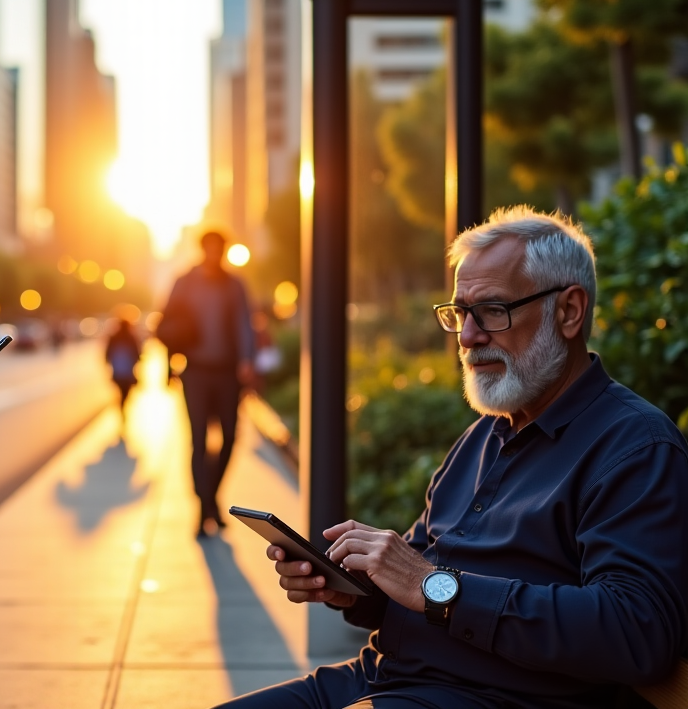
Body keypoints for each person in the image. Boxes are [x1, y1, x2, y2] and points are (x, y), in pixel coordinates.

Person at [216, 206, 688, 709]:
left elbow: (638, 632)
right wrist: (356, 588)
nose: (467, 337)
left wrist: (434, 586)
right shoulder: (485, 434)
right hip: (378, 678)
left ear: (569, 311)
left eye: (492, 311)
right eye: (460, 313)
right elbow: (426, 583)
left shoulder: (634, 446)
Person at [160, 231, 255, 536]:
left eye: (220, 250)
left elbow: (244, 323)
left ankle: (211, 498)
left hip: (227, 373)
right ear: (202, 250)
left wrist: (247, 361)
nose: (215, 254)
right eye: (210, 249)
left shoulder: (234, 285)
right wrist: (168, 365)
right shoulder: (185, 282)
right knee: (198, 440)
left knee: (229, 437)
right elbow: (167, 322)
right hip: (196, 371)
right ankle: (203, 511)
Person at [105, 317, 141, 414]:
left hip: (117, 369)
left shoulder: (114, 337)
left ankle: (122, 405)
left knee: (122, 389)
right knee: (126, 389)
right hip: (128, 370)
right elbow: (137, 353)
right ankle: (123, 405)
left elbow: (108, 353)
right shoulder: (131, 337)